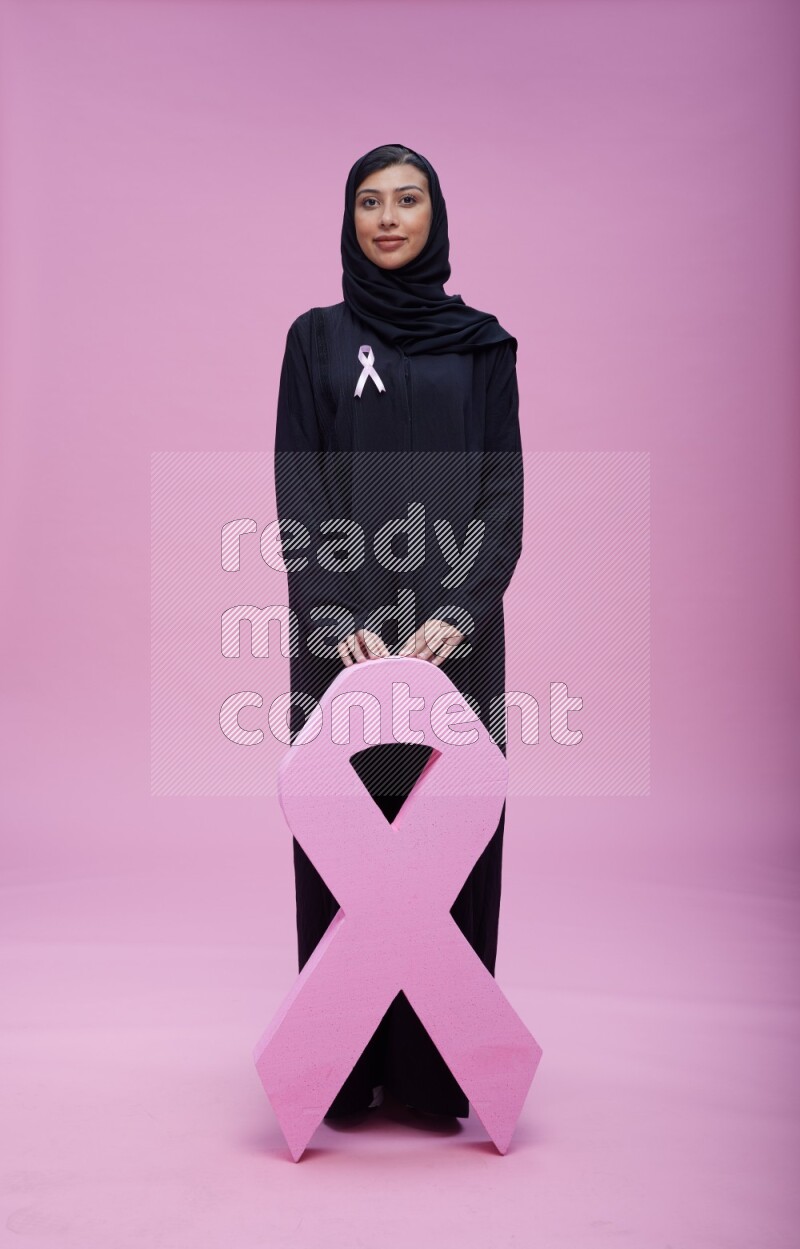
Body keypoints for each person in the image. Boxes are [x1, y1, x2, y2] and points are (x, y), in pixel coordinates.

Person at [273, 143, 524, 1120]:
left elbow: (500, 494)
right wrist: (332, 610)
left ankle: (434, 1078)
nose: (387, 217)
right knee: (347, 843)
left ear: (434, 216)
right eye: (368, 201)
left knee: (445, 845)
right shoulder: (315, 340)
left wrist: (460, 612)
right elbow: (300, 481)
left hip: (455, 646)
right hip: (343, 640)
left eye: (406, 200)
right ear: (348, 219)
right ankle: (338, 1072)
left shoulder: (482, 345)